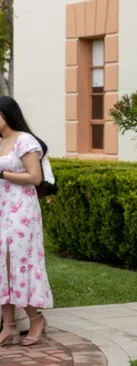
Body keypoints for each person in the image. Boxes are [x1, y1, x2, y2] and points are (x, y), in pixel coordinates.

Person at [0, 96, 53, 347]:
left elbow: (35, 177)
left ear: (6, 115)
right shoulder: (0, 142)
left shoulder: (25, 140)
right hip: (1, 210)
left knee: (20, 263)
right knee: (2, 265)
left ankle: (36, 319)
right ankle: (9, 326)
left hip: (22, 211)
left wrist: (3, 173)